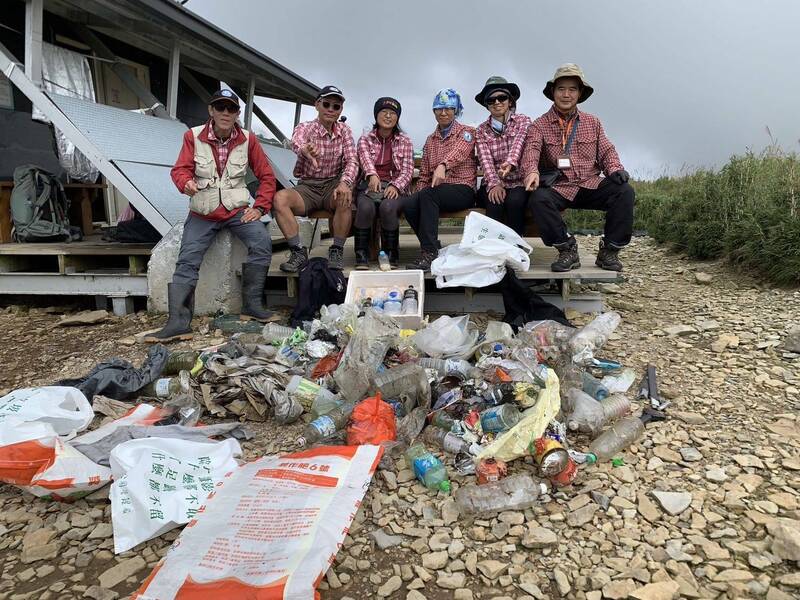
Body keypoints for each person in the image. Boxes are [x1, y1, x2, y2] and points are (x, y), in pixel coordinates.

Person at [148, 89, 277, 342]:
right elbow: (179, 170)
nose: (225, 113)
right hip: (203, 212)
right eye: (220, 108)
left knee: (261, 241)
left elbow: (267, 176)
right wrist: (185, 183)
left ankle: (252, 305)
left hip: (237, 211)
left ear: (237, 114)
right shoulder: (192, 136)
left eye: (231, 109)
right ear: (211, 111)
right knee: (187, 259)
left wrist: (260, 207)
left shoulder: (249, 140)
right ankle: (178, 323)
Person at [521, 64, 634, 272]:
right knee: (538, 198)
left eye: (572, 89)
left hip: (590, 184)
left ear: (580, 93)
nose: (566, 94)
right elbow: (531, 151)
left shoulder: (593, 122)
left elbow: (606, 150)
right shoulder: (539, 125)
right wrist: (532, 172)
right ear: (553, 92)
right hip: (560, 186)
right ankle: (567, 249)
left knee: (624, 191)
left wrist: (615, 168)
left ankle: (609, 250)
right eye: (561, 89)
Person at [273, 85, 358, 272]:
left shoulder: (345, 131)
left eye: (336, 107)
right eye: (326, 104)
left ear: (340, 111)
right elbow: (297, 141)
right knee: (280, 199)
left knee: (345, 196)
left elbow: (352, 159)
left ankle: (336, 250)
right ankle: (297, 251)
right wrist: (304, 149)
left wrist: (345, 183)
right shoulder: (305, 127)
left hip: (332, 186)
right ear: (317, 105)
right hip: (308, 187)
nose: (330, 109)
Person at [401, 88, 477, 271]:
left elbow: (460, 151)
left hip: (462, 188)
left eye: (449, 108)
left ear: (456, 110)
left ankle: (429, 253)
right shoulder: (430, 140)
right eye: (439, 108)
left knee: (428, 195)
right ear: (434, 111)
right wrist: (418, 193)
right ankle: (433, 245)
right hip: (435, 191)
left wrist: (443, 165)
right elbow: (425, 173)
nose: (443, 112)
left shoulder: (467, 132)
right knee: (410, 203)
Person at [355, 97, 414, 269]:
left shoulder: (405, 140)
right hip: (369, 185)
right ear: (376, 115)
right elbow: (365, 160)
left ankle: (391, 255)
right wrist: (372, 175)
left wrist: (396, 185)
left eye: (392, 113)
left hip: (395, 185)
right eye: (383, 112)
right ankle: (361, 255)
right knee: (365, 207)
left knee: (388, 207)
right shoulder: (365, 139)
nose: (388, 116)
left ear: (397, 118)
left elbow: (408, 170)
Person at [474, 76, 531, 236]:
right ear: (487, 105)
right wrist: (494, 184)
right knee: (494, 201)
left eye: (502, 97)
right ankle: (493, 249)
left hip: (518, 181)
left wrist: (511, 162)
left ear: (510, 101)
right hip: (494, 181)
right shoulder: (481, 130)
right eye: (491, 100)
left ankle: (516, 249)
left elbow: (519, 143)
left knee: (515, 202)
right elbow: (485, 161)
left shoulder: (523, 121)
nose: (497, 102)